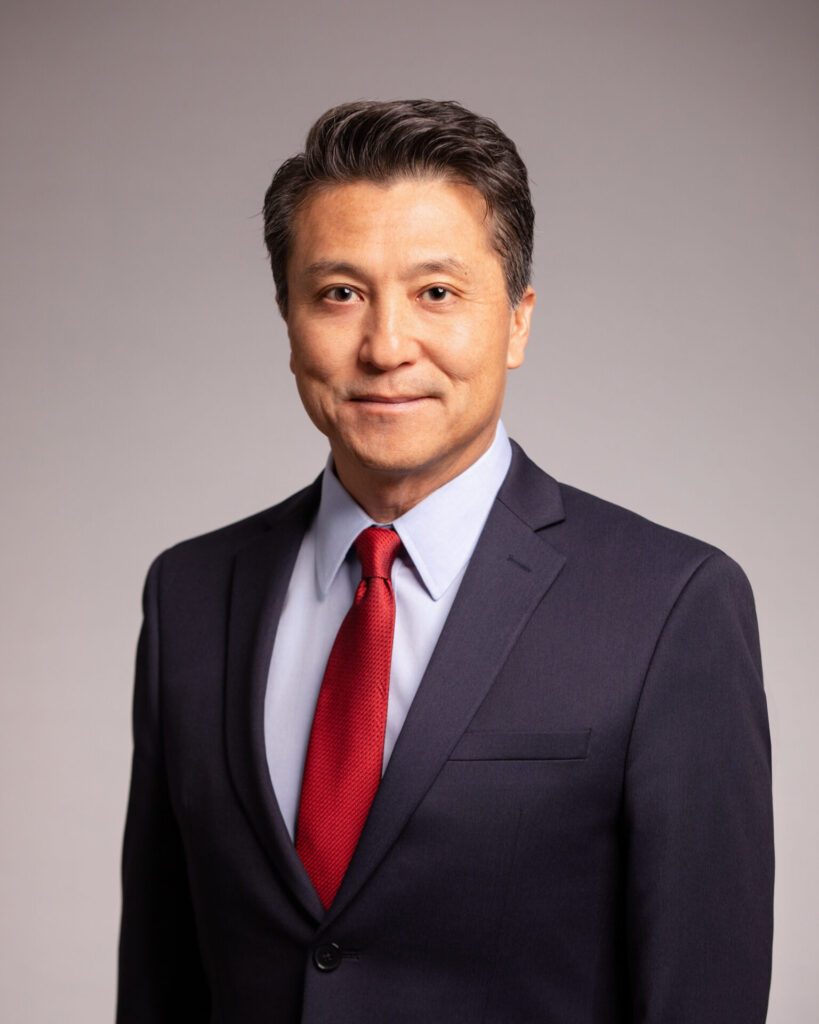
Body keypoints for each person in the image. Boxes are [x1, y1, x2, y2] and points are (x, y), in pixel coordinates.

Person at [116, 100, 774, 1023]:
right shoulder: (189, 593)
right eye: (339, 293)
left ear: (515, 321)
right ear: (288, 318)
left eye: (437, 293)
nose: (387, 347)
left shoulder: (668, 605)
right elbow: (159, 976)